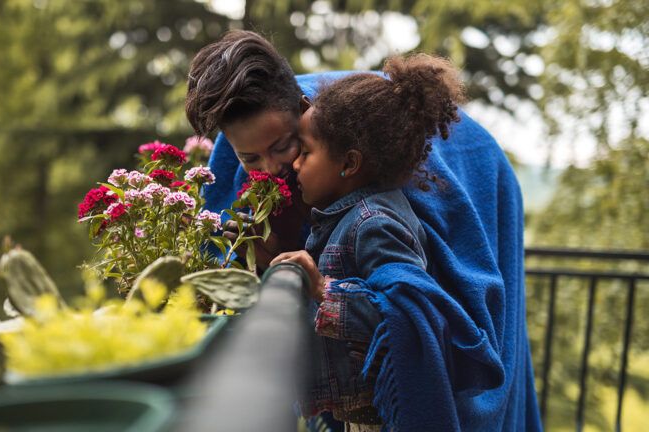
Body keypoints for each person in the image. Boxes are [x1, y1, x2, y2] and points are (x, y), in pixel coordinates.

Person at [186, 30, 542, 431]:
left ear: (305, 112)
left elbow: (429, 304)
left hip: (473, 161)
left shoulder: (380, 191)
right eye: (250, 157)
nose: (269, 167)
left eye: (286, 146)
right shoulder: (235, 158)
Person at [268, 53, 465, 430]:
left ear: (349, 163)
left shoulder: (374, 222)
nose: (294, 164)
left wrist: (322, 288)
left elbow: (406, 311)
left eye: (306, 152)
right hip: (345, 413)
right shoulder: (347, 216)